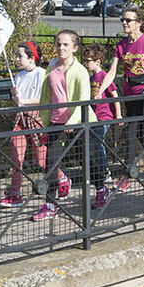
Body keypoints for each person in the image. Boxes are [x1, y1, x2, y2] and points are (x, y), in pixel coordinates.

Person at [96, 6, 144, 190]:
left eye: (128, 20)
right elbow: (111, 72)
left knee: (130, 132)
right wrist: (99, 92)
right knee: (142, 133)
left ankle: (126, 175)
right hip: (130, 93)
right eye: (123, 20)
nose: (125, 23)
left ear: (139, 23)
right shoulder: (121, 45)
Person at [33, 30, 93, 222]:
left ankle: (101, 189)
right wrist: (43, 119)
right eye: (59, 44)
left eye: (66, 45)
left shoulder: (80, 71)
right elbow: (46, 94)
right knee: (51, 163)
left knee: (91, 160)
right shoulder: (51, 65)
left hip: (79, 122)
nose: (61, 48)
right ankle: (51, 203)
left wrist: (73, 121)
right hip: (56, 122)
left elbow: (84, 98)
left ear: (74, 48)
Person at [0, 42, 49, 209]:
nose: (17, 59)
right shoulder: (18, 76)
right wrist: (15, 96)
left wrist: (24, 101)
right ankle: (15, 193)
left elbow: (45, 99)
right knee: (16, 156)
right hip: (21, 119)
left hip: (36, 119)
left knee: (42, 161)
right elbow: (17, 101)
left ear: (31, 57)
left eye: (20, 56)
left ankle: (61, 179)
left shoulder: (42, 74)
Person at [84, 43, 121, 210]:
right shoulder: (90, 79)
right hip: (93, 117)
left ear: (98, 62)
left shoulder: (104, 77)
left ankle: (105, 173)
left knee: (97, 142)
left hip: (104, 116)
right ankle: (102, 172)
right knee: (94, 144)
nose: (86, 63)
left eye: (88, 60)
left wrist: (118, 115)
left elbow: (114, 95)